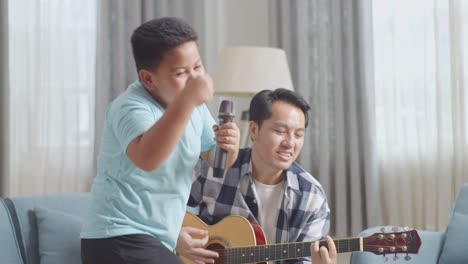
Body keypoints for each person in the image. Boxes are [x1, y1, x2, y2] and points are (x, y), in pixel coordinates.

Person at [80, 17, 240, 264]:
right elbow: (147, 158)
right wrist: (187, 99)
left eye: (197, 67)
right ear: (148, 79)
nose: (195, 79)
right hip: (116, 236)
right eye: (181, 73)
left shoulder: (194, 108)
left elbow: (216, 158)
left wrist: (230, 145)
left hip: (154, 239)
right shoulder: (130, 107)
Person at [177, 89, 337, 264]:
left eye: (298, 134)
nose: (290, 143)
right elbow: (161, 207)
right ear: (254, 129)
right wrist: (176, 236)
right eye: (280, 131)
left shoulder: (311, 198)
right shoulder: (213, 170)